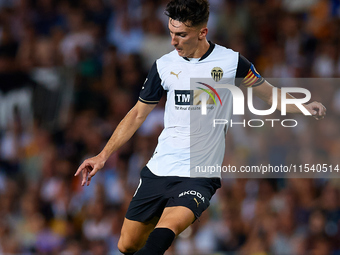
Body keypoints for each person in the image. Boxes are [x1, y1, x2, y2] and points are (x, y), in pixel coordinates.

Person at [74, 0, 326, 254]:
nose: (173, 41)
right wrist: (103, 155)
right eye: (171, 33)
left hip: (199, 173)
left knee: (167, 228)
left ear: (202, 32)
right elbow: (138, 113)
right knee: (126, 244)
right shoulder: (164, 65)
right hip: (161, 167)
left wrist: (306, 106)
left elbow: (271, 96)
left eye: (181, 35)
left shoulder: (231, 62)